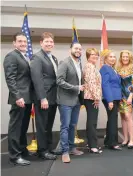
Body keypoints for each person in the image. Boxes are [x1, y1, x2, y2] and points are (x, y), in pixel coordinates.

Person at [3, 32, 33, 166]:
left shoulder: (25, 56)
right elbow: (10, 79)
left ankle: (22, 150)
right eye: (20, 41)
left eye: (25, 41)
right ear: (14, 43)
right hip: (19, 98)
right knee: (15, 128)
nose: (23, 44)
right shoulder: (11, 56)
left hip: (27, 98)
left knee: (23, 127)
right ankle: (14, 156)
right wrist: (17, 96)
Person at [30, 32, 58, 160]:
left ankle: (48, 148)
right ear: (41, 43)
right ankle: (42, 151)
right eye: (46, 41)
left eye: (51, 42)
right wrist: (42, 98)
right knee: (42, 125)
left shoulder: (53, 58)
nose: (49, 44)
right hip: (44, 98)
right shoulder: (37, 57)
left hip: (53, 97)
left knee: (49, 125)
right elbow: (37, 79)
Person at [56, 42, 84, 163]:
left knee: (73, 126)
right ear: (70, 50)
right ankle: (65, 151)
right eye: (76, 48)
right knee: (65, 126)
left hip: (76, 100)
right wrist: (76, 87)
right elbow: (59, 81)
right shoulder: (64, 63)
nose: (78, 50)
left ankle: (72, 148)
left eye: (80, 49)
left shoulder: (79, 63)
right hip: (65, 100)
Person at [100, 49, 122, 150]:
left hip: (115, 98)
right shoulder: (105, 68)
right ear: (105, 59)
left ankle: (108, 141)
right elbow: (105, 84)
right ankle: (113, 143)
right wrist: (110, 100)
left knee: (111, 119)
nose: (113, 59)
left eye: (114, 57)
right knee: (113, 119)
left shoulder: (112, 68)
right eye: (110, 57)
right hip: (110, 98)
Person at [116, 50, 133, 149]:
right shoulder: (118, 68)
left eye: (126, 56)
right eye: (123, 57)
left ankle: (132, 140)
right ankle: (125, 139)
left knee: (128, 117)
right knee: (123, 117)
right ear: (121, 58)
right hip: (120, 95)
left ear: (129, 57)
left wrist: (131, 96)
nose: (125, 58)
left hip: (129, 95)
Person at [83, 48, 103, 154]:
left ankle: (91, 143)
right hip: (91, 98)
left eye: (96, 54)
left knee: (92, 121)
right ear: (88, 56)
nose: (95, 56)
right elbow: (91, 83)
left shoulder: (92, 66)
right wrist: (96, 98)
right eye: (92, 54)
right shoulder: (90, 67)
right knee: (92, 122)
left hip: (91, 97)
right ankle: (93, 145)